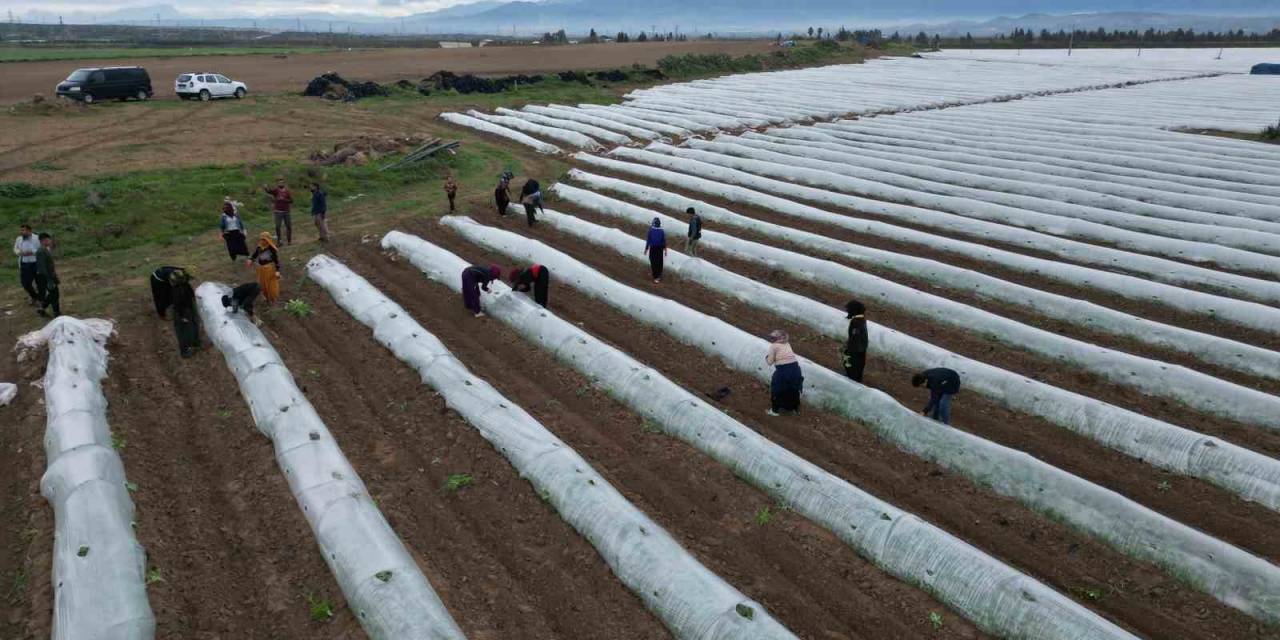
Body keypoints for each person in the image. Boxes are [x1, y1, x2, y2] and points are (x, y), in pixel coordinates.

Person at [765, 330, 804, 416]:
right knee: (793, 389)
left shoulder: (774, 346)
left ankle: (774, 411)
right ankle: (794, 409)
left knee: (777, 388)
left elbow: (770, 362)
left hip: (784, 370)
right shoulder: (787, 344)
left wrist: (767, 357)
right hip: (796, 369)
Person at [169, 270, 200, 358]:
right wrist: (182, 316)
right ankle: (185, 351)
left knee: (193, 326)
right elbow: (177, 304)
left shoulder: (185, 286)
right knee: (183, 332)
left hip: (188, 309)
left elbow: (190, 295)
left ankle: (195, 343)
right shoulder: (177, 291)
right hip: (182, 312)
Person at [247, 232, 281, 305]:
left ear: (268, 240)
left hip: (270, 269)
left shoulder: (272, 249)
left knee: (271, 285)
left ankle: (273, 298)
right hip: (261, 269)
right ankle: (266, 297)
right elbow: (254, 255)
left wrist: (277, 271)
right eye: (261, 239)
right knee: (262, 284)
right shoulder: (259, 248)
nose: (263, 241)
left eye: (264, 239)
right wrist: (250, 259)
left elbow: (276, 260)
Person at [842, 299, 869, 383]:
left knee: (852, 367)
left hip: (855, 351)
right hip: (861, 349)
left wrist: (848, 349)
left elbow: (855, 337)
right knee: (858, 367)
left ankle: (853, 381)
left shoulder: (855, 322)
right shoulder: (862, 320)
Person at [13, 224, 40, 306]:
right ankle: (35, 296)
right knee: (25, 283)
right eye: (21, 230)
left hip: (35, 263)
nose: (22, 232)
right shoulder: (19, 239)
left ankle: (41, 300)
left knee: (39, 282)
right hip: (24, 263)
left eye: (24, 230)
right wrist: (19, 252)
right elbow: (15, 248)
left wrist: (32, 252)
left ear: (30, 231)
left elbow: (42, 249)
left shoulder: (37, 238)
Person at [34, 233, 59, 318]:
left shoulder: (46, 249)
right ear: (43, 241)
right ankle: (56, 312)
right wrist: (49, 280)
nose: (50, 241)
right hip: (46, 276)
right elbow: (42, 267)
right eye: (48, 240)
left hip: (50, 275)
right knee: (55, 294)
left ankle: (42, 307)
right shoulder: (40, 251)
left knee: (53, 293)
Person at [262, 177, 293, 245]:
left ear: (284, 183)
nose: (280, 184)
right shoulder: (276, 190)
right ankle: (279, 241)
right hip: (278, 211)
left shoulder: (287, 191)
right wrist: (266, 188)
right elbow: (269, 191)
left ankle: (289, 241)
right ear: (277, 184)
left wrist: (284, 199)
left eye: (282, 182)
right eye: (279, 183)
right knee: (277, 226)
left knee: (288, 226)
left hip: (286, 211)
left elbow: (291, 200)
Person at [643, 218, 667, 283]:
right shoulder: (661, 231)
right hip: (660, 248)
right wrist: (665, 250)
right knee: (659, 262)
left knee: (653, 261)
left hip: (653, 248)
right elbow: (663, 240)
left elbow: (648, 240)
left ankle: (656, 276)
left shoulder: (651, 230)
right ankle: (658, 275)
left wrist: (646, 249)